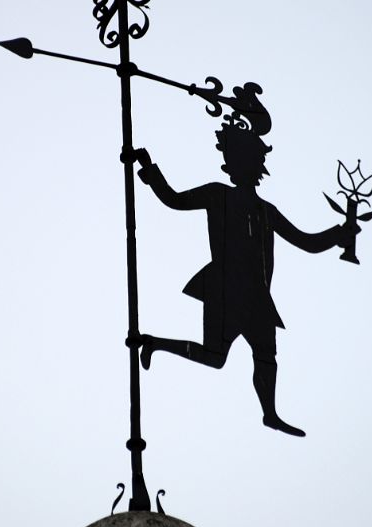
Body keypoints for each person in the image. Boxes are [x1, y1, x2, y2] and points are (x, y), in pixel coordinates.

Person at [126, 121, 358, 437]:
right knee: (215, 357)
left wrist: (337, 234)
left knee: (266, 356)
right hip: (223, 289)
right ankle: (155, 343)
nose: (250, 166)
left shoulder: (267, 211)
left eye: (254, 160)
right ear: (231, 163)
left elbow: (306, 242)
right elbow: (174, 200)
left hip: (257, 298)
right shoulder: (217, 194)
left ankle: (270, 412)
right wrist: (149, 170)